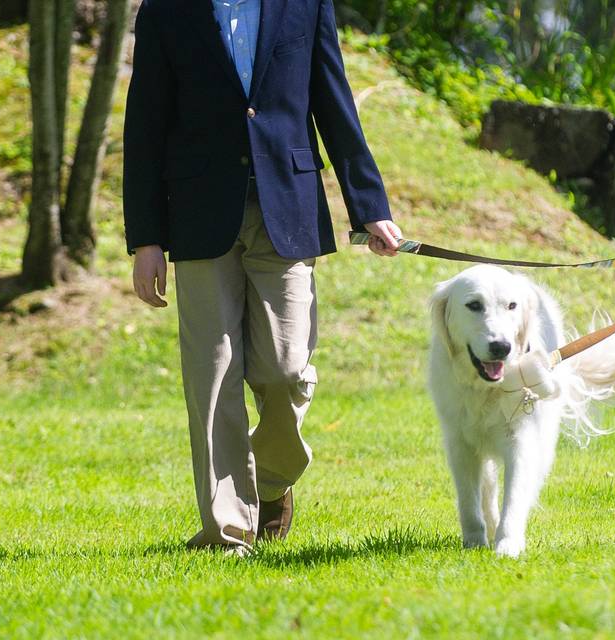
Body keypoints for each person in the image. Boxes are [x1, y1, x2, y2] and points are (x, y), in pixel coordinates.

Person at [123, 0, 401, 556]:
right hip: (198, 214)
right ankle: (228, 532)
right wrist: (146, 238)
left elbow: (333, 100)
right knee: (213, 379)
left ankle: (270, 479)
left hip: (288, 206)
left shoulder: (306, 5)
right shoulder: (165, 11)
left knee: (286, 367)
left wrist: (367, 203)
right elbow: (146, 122)